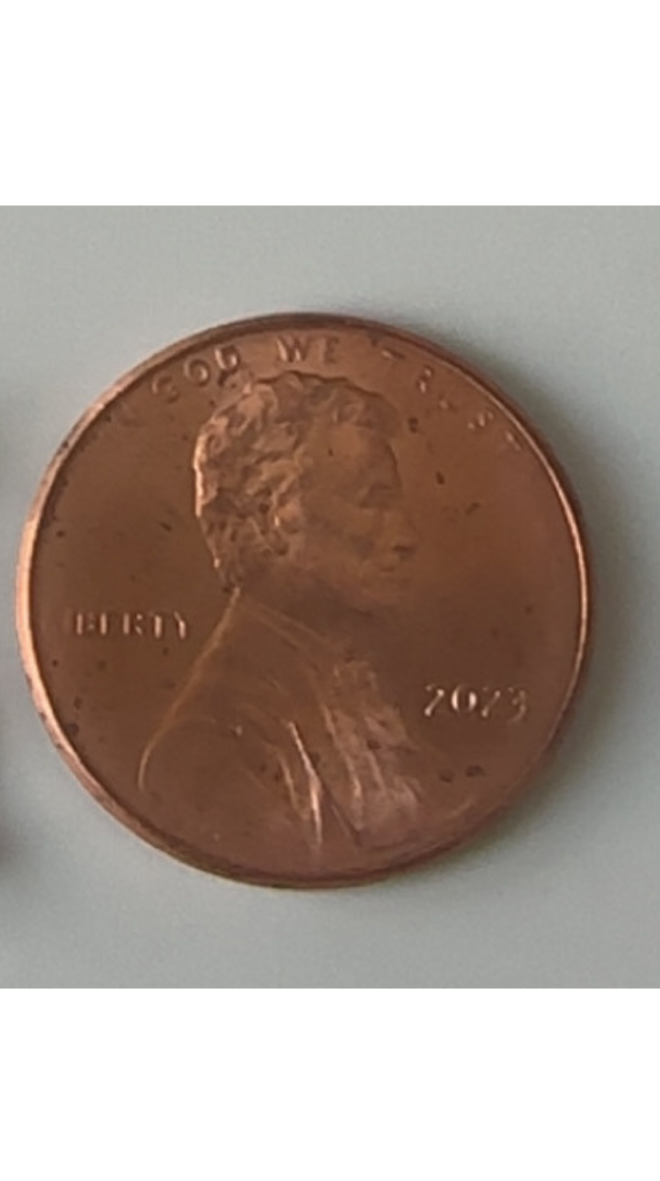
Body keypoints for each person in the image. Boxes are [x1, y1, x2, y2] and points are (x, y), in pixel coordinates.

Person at [138, 371, 443, 873]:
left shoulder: (354, 688)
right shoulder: (206, 750)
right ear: (271, 518)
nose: (406, 535)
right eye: (372, 500)